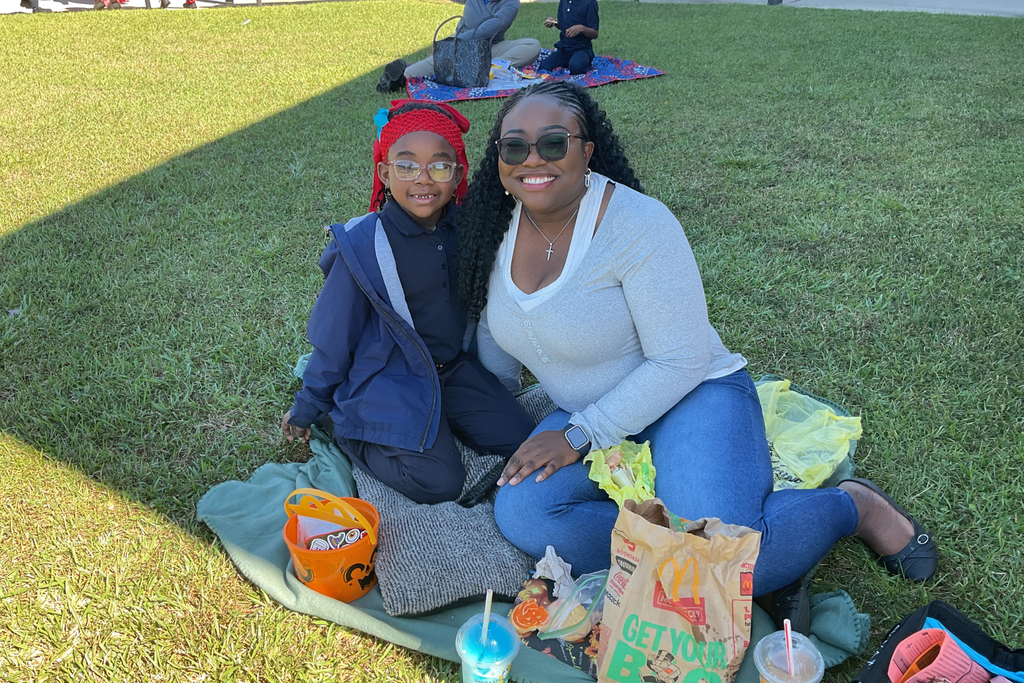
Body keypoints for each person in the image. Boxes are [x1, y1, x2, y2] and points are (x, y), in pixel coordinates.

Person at [455, 80, 938, 631]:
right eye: (514, 147)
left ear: (586, 151)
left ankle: (853, 506)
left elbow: (680, 360)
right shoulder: (494, 228)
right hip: (594, 412)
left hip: (691, 395)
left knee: (727, 563)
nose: (532, 160)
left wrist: (576, 436)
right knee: (525, 513)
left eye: (552, 143)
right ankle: (673, 546)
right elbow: (497, 341)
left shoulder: (637, 223)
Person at [281, 101, 536, 505]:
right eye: (406, 166)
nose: (423, 179)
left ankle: (437, 420)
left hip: (449, 369)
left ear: (458, 174)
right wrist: (308, 405)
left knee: (523, 440)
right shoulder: (364, 244)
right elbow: (334, 336)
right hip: (388, 376)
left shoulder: (466, 229)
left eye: (439, 166)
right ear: (384, 173)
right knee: (439, 482)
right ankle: (348, 429)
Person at [377, 0, 542, 91]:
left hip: (491, 47)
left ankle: (487, 69)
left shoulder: (511, 3)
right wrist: (451, 43)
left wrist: (450, 41)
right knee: (434, 63)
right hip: (461, 46)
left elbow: (489, 28)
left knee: (532, 45)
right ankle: (399, 78)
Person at [540, 0, 599, 75]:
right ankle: (570, 61)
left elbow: (595, 33)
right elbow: (563, 26)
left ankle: (582, 62)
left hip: (582, 48)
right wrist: (554, 22)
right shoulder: (564, 1)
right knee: (544, 67)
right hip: (564, 48)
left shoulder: (590, 3)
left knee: (576, 68)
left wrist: (581, 28)